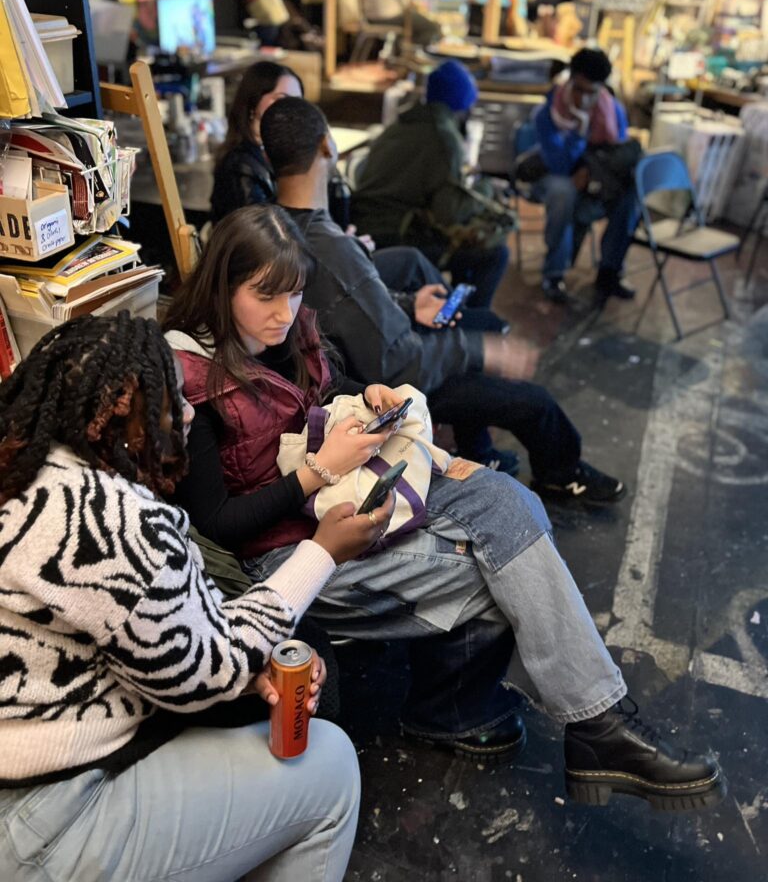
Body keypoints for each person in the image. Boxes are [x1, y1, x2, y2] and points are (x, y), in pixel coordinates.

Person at [164, 206, 724, 813]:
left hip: (347, 491)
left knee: (512, 500)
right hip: (291, 554)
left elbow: (322, 391)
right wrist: (318, 470)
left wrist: (363, 395)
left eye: (295, 293)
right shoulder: (191, 381)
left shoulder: (291, 332)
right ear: (222, 285)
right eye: (265, 295)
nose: (284, 312)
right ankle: (531, 719)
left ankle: (583, 722)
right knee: (502, 570)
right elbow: (219, 524)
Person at [0, 312, 380, 882]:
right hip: (43, 820)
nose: (185, 414)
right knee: (331, 766)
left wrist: (241, 669)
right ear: (116, 417)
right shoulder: (115, 522)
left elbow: (146, 631)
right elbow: (206, 671)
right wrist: (322, 553)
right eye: (170, 402)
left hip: (27, 757)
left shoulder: (25, 469)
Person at [263, 95, 625, 499]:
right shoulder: (329, 250)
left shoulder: (278, 224)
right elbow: (399, 363)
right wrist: (479, 351)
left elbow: (353, 305)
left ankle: (480, 448)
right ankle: (561, 472)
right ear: (326, 146)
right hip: (386, 388)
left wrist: (408, 304)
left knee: (476, 321)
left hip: (368, 358)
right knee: (532, 400)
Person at [352, 59, 512, 309]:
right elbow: (449, 213)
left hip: (364, 232)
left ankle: (453, 308)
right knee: (492, 254)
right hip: (400, 237)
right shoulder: (443, 137)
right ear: (462, 106)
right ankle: (462, 316)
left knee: (467, 245)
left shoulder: (396, 128)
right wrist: (486, 188)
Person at [533, 47, 641, 303]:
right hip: (554, 175)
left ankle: (610, 271)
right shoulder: (549, 112)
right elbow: (558, 163)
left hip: (594, 177)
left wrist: (590, 171)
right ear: (570, 80)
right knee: (563, 191)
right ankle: (554, 274)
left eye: (592, 92)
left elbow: (615, 155)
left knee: (631, 193)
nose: (584, 98)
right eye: (579, 89)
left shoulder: (612, 109)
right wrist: (579, 132)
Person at [209, 60, 303, 223]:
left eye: (298, 102)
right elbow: (257, 231)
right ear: (253, 100)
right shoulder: (239, 165)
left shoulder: (281, 152)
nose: (292, 109)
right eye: (281, 99)